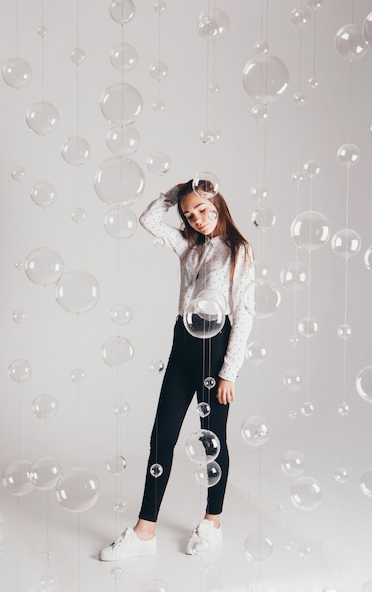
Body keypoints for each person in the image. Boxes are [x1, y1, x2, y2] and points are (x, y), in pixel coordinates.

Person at [99, 179, 254, 561]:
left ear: (216, 201)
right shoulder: (188, 247)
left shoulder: (238, 250)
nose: (196, 219)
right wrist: (177, 191)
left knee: (211, 438)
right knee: (161, 437)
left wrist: (229, 371)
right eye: (188, 215)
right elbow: (149, 220)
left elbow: (245, 313)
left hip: (215, 349)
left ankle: (212, 522)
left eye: (202, 209)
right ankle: (144, 529)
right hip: (183, 345)